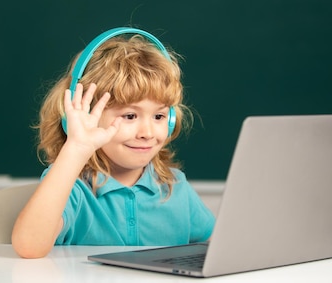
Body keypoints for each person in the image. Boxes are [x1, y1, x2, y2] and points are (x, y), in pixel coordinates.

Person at [12, 30, 215, 258]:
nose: (147, 133)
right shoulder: (72, 188)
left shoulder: (175, 186)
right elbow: (28, 246)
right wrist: (76, 148)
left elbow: (217, 244)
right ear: (84, 116)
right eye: (130, 116)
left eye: (158, 117)